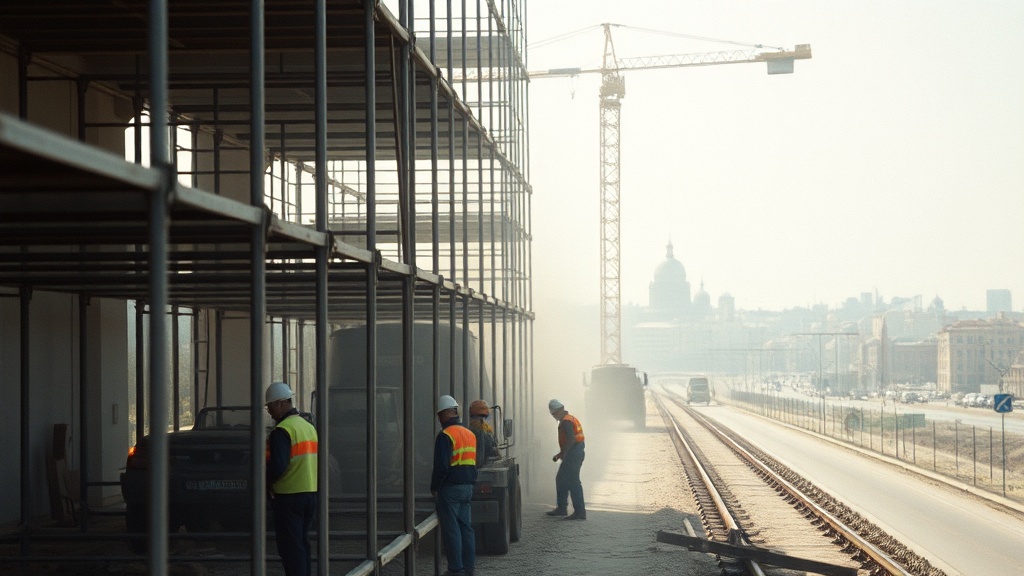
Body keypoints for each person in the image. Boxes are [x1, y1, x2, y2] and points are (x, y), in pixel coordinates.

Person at [265, 382, 319, 576]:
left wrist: (265, 483)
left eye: (270, 406)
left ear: (280, 404)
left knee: (291, 549)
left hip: (288, 497)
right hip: (310, 495)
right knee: (302, 545)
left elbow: (278, 466)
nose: (269, 411)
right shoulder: (308, 428)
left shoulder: (282, 431)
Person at [431, 395, 478, 576]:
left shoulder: (445, 436)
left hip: (450, 489)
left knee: (452, 530)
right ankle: (469, 567)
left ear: (447, 413)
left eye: (440, 415)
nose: (439, 419)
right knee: (466, 527)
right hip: (467, 487)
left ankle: (455, 569)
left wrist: (434, 487)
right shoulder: (470, 434)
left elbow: (441, 467)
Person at [546, 398, 586, 520]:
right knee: (563, 479)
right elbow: (571, 440)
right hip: (575, 452)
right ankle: (563, 508)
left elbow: (571, 439)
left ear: (558, 411)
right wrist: (560, 454)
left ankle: (579, 512)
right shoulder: (569, 419)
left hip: (573, 454)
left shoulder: (566, 422)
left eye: (554, 414)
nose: (554, 417)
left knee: (572, 481)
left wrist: (563, 453)